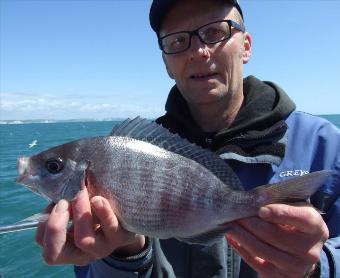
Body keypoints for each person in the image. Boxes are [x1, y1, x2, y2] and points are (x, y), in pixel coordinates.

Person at [36, 0, 340, 277]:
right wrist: (123, 253)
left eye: (216, 32)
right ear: (167, 64)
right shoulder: (144, 147)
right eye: (178, 41)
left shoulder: (326, 146)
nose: (198, 51)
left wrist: (318, 267)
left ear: (246, 47)